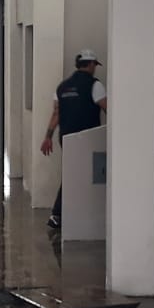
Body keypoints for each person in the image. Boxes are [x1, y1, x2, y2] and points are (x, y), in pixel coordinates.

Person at [39, 49, 107, 230]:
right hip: (89, 139)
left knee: (73, 174)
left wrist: (48, 137)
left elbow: (56, 114)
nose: (95, 68)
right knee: (88, 176)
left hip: (67, 138)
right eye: (94, 65)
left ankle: (66, 214)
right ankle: (61, 214)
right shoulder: (95, 85)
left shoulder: (62, 87)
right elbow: (108, 108)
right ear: (90, 64)